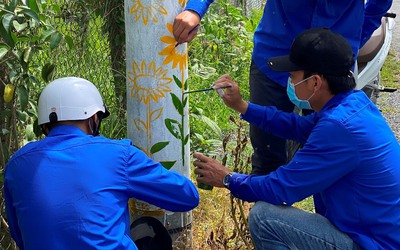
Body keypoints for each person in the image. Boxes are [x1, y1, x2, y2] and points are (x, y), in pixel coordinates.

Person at [193, 28, 400, 249]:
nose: (289, 81)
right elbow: (296, 126)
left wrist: (227, 178)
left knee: (264, 218)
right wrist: (242, 106)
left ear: (315, 82)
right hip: (375, 232)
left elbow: (280, 189)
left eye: (293, 76)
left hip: (373, 243)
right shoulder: (353, 104)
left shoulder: (337, 127)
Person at [174, 0, 393, 175]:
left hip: (330, 64)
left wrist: (349, 41)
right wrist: (195, 8)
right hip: (274, 60)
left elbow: (379, 4)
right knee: (269, 156)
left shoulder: (343, 118)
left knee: (326, 156)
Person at [4, 77, 199, 249]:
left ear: (45, 124)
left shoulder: (16, 164)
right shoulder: (118, 155)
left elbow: (20, 235)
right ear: (93, 118)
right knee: (149, 229)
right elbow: (187, 196)